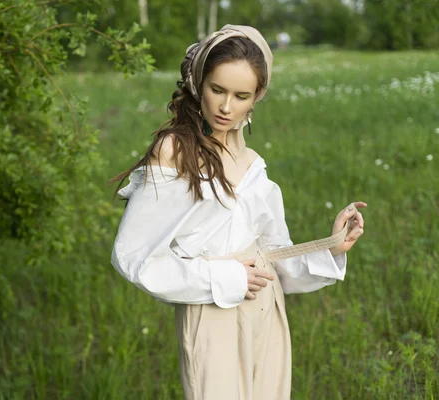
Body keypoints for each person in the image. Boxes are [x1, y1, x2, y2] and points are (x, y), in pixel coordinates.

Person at [109, 25, 366, 400]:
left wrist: (331, 248)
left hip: (267, 309)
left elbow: (273, 253)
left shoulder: (253, 165)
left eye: (241, 95)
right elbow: (132, 258)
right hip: (211, 313)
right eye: (217, 90)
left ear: (256, 98)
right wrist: (226, 278)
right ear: (199, 85)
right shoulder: (173, 152)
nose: (227, 107)